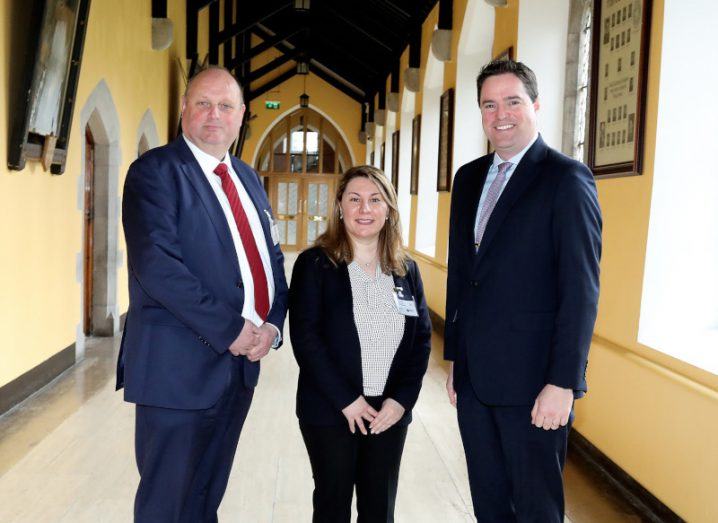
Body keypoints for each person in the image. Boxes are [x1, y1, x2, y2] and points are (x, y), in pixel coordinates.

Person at [116, 66, 288, 522]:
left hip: (239, 370)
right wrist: (232, 328)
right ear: (184, 110)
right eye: (203, 104)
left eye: (226, 106)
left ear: (241, 116)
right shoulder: (154, 173)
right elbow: (158, 268)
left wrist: (272, 324)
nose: (214, 115)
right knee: (166, 503)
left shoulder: (249, 179)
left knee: (205, 497)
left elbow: (271, 261)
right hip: (177, 369)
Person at [444, 59, 602, 522]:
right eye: (489, 105)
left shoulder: (566, 179)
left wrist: (563, 382)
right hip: (475, 381)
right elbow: (462, 276)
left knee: (536, 510)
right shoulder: (469, 178)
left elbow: (581, 291)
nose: (501, 114)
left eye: (512, 101)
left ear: (535, 105)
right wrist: (456, 358)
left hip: (536, 385)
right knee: (489, 506)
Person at [289, 165, 432, 522]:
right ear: (340, 206)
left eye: (375, 200)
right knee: (332, 504)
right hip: (331, 410)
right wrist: (347, 401)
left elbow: (422, 340)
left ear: (389, 210)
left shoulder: (405, 269)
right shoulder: (315, 264)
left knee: (379, 508)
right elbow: (306, 338)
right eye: (354, 199)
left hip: (388, 412)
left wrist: (400, 402)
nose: (364, 209)